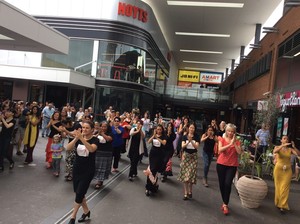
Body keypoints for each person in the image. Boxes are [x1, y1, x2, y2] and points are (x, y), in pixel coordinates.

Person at [66, 121, 98, 224]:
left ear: (92, 129)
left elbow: (91, 149)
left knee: (80, 192)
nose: (84, 129)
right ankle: (86, 211)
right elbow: (68, 148)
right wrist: (76, 138)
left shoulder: (95, 139)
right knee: (78, 192)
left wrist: (81, 138)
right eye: (83, 127)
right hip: (77, 168)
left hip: (88, 169)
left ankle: (72, 217)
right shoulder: (78, 138)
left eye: (87, 128)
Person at [217, 123, 242, 215]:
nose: (230, 133)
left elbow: (239, 152)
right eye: (229, 131)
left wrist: (234, 143)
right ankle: (224, 201)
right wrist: (229, 144)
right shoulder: (222, 139)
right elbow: (220, 150)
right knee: (221, 184)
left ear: (234, 132)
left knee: (228, 184)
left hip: (232, 165)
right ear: (226, 131)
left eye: (232, 131)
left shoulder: (237, 141)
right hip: (221, 164)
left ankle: (225, 204)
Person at [273, 135, 300, 213]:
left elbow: (298, 154)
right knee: (278, 187)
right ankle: (278, 202)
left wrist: (294, 147)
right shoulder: (277, 148)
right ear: (281, 140)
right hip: (278, 170)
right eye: (284, 138)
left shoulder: (290, 149)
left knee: (285, 188)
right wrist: (282, 146)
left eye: (287, 139)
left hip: (287, 170)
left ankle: (283, 205)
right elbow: (275, 152)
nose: (286, 140)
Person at [177, 123, 200, 200]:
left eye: (193, 128)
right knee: (185, 175)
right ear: (188, 128)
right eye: (190, 127)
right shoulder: (184, 136)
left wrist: (191, 141)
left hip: (193, 157)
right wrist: (188, 141)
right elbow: (182, 146)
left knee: (190, 175)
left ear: (195, 129)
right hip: (186, 156)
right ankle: (186, 193)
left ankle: (190, 190)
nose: (191, 129)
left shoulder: (197, 137)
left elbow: (197, 147)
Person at [144, 124, 166, 196]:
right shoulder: (154, 135)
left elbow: (164, 143)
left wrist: (157, 137)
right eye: (157, 129)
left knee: (155, 171)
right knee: (151, 170)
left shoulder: (163, 136)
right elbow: (149, 141)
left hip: (159, 155)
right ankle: (148, 187)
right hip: (152, 154)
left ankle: (153, 186)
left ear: (162, 130)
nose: (158, 131)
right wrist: (154, 136)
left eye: (160, 129)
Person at [94, 121, 113, 189]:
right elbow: (93, 138)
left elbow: (108, 139)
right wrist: (97, 133)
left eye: (105, 126)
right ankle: (95, 178)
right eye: (102, 126)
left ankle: (100, 181)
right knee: (95, 166)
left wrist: (102, 133)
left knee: (103, 168)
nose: (103, 128)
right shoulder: (97, 132)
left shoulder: (110, 133)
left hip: (106, 153)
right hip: (97, 152)